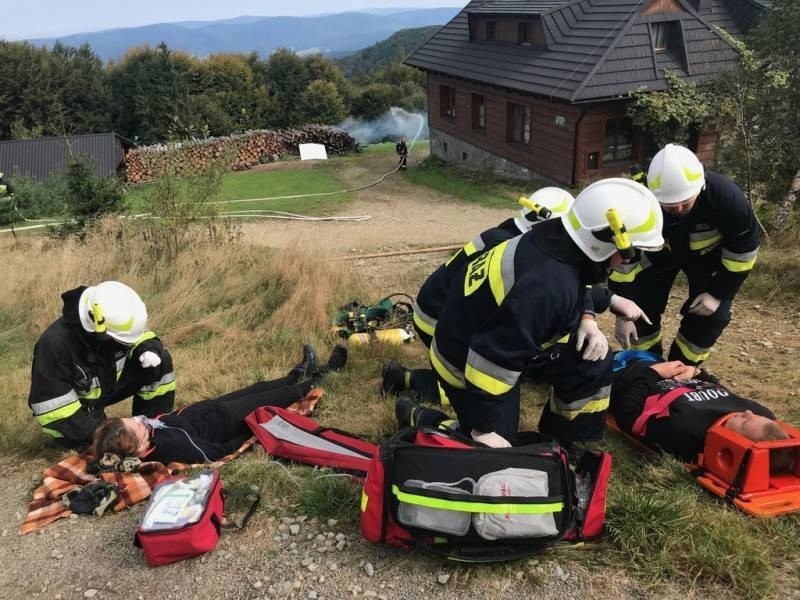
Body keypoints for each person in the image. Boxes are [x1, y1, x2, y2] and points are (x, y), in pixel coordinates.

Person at [425, 178, 664, 447]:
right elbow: (494, 357)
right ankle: (424, 419)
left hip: (502, 340)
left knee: (593, 361)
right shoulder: (547, 286)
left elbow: (578, 276)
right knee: (493, 450)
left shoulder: (557, 238)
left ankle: (566, 443)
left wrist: (601, 309)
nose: (627, 262)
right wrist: (483, 429)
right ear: (605, 242)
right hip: (466, 361)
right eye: (630, 254)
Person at [386, 187, 651, 402]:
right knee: (469, 386)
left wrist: (595, 312)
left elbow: (576, 282)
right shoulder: (517, 251)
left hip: (445, 312)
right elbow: (518, 314)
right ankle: (410, 387)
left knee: (489, 377)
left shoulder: (514, 236)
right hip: (438, 318)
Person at [611, 144, 760, 365]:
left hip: (707, 261)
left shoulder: (727, 198)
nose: (679, 209)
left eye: (685, 203)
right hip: (658, 257)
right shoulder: (637, 206)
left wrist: (718, 293)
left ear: (699, 188)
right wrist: (622, 311)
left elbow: (743, 251)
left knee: (711, 316)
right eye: (670, 206)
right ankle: (648, 363)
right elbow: (622, 263)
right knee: (640, 309)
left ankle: (683, 368)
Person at [92, 344, 348, 464]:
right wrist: (251, 434)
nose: (138, 421)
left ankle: (298, 371)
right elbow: (214, 453)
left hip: (212, 407)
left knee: (259, 388)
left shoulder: (146, 434)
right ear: (138, 447)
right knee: (282, 396)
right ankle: (323, 374)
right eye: (135, 426)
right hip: (226, 420)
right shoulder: (171, 445)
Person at [28, 281, 176, 446]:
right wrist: (104, 434)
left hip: (106, 387)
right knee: (108, 448)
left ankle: (153, 428)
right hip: (76, 415)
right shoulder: (55, 345)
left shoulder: (110, 321)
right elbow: (53, 409)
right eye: (117, 339)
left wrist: (148, 349)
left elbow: (139, 336)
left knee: (160, 362)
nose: (121, 343)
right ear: (95, 325)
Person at [609, 351, 796, 474]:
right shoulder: (762, 416)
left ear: (732, 443)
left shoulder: (685, 432)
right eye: (756, 416)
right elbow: (723, 394)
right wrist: (697, 373)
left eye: (744, 422)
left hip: (624, 372)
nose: (747, 412)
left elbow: (628, 417)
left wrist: (652, 373)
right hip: (663, 367)